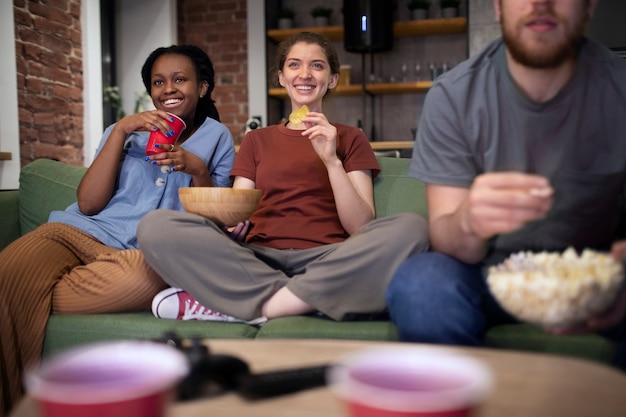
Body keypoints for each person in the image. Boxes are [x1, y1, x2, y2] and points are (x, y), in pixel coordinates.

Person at [386, 0, 626, 366]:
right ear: (498, 7)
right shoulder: (453, 97)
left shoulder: (618, 88)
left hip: (594, 277)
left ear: (590, 5)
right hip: (488, 277)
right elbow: (448, 239)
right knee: (420, 283)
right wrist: (468, 220)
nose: (540, 3)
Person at [0, 44, 235, 416]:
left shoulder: (218, 137)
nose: (168, 89)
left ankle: (24, 293)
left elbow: (216, 223)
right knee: (6, 271)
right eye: (159, 82)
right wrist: (122, 129)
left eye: (180, 80)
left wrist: (198, 170)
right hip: (77, 232)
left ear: (202, 88)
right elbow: (90, 204)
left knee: (146, 280)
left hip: (142, 255)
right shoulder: (124, 131)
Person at [137, 32, 428, 325]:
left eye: (317, 66)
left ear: (332, 79)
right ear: (281, 77)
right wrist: (231, 225)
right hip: (256, 258)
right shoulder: (256, 140)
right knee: (155, 226)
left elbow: (361, 227)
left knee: (412, 227)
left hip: (329, 259)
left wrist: (331, 160)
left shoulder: (351, 138)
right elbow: (238, 207)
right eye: (294, 65)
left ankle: (258, 305)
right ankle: (310, 300)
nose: (304, 74)